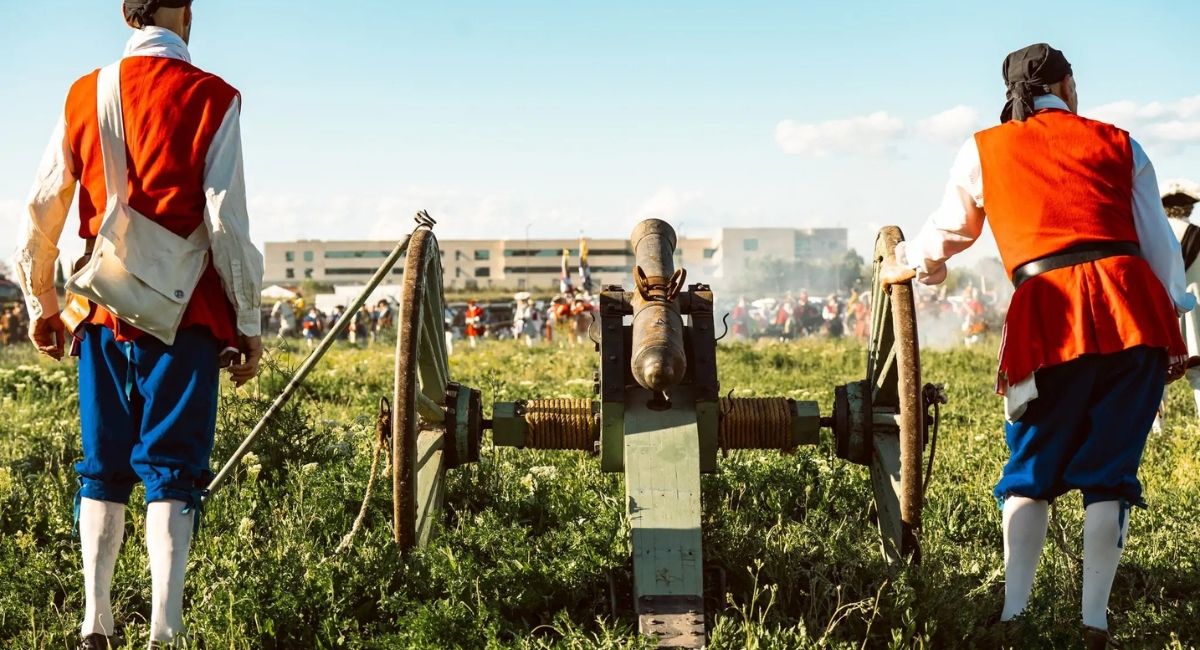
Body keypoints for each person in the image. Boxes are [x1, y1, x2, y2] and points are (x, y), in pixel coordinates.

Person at [882, 44, 1192, 647]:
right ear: (1067, 87)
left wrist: (911, 265)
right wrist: (1171, 315)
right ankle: (1093, 626)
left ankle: (1015, 616)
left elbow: (951, 228)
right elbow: (1159, 246)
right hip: (1132, 310)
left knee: (1031, 470)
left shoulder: (983, 148)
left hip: (1048, 313)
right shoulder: (1121, 142)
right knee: (1109, 474)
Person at [13, 2, 264, 647]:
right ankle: (165, 630)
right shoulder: (213, 97)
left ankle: (94, 624)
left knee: (102, 468)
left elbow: (45, 206)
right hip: (185, 317)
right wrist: (247, 320)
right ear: (181, 9)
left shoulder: (83, 93)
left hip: (100, 311)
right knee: (173, 470)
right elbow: (226, 224)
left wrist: (44, 300)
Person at [1162, 180, 1200, 418]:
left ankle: (1157, 428)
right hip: (1196, 311)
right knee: (1198, 371)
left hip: (1165, 308)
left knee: (1158, 371)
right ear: (1190, 207)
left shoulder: (1158, 235)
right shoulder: (1198, 233)